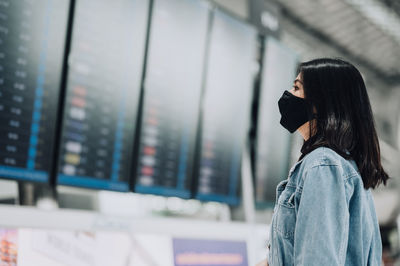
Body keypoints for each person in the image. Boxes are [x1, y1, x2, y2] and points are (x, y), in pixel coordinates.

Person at [262, 58, 388, 265]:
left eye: (296, 88)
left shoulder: (323, 165)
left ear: (320, 102)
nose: (288, 95)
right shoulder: (342, 164)